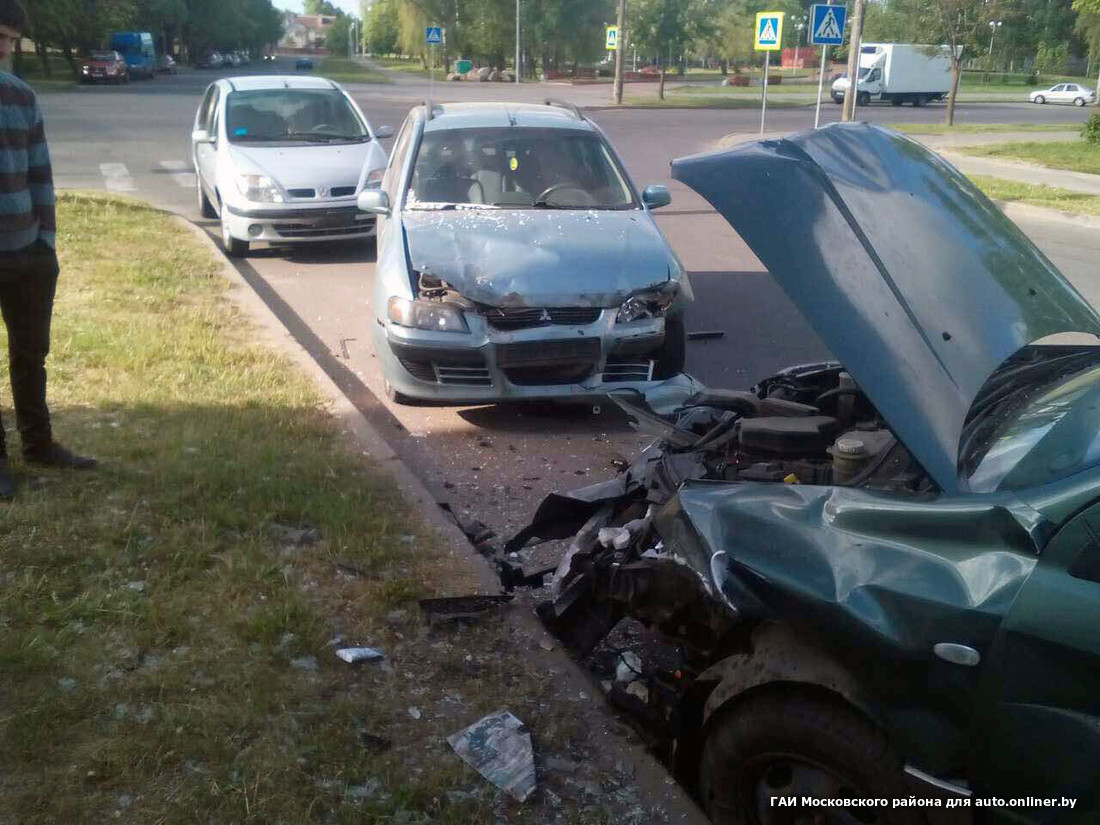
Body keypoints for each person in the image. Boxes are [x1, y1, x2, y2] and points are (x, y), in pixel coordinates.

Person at [0, 0, 96, 500]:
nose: (6, 50)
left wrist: (47, 243)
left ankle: (38, 443)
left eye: (12, 42)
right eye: (1, 38)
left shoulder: (20, 96)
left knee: (31, 354)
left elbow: (41, 174)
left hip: (28, 252)